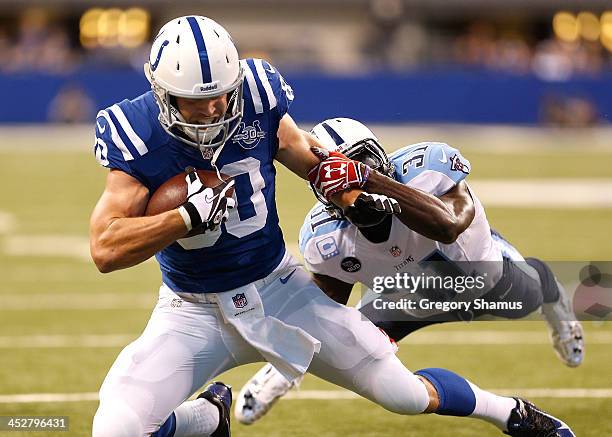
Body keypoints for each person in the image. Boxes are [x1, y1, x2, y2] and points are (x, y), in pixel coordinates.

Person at [89, 15, 575, 436]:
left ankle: (510, 413)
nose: (215, 108)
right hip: (191, 310)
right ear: (161, 91)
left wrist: (337, 171)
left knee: (401, 393)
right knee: (115, 428)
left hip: (279, 291)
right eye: (199, 100)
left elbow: (300, 151)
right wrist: (182, 218)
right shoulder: (136, 133)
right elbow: (105, 249)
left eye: (221, 94)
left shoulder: (256, 96)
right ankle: (208, 420)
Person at [236, 118, 583, 435]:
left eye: (360, 169)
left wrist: (380, 190)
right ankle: (279, 374)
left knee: (534, 292)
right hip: (405, 293)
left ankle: (553, 299)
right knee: (342, 337)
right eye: (336, 184)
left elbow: (448, 226)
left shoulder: (427, 170)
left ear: (380, 162)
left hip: (479, 274)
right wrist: (289, 357)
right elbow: (325, 315)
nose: (351, 189)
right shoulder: (327, 238)